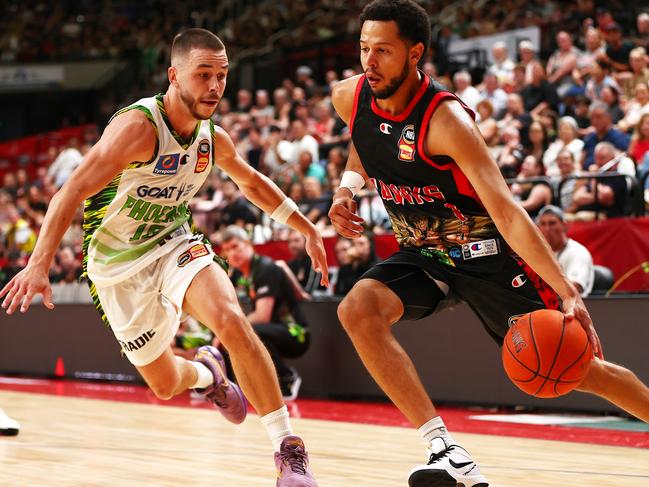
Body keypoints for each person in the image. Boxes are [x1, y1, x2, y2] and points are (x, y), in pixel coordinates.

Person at [328, 2, 649, 486]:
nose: (368, 62)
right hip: (427, 254)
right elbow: (365, 137)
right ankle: (446, 450)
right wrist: (347, 187)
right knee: (356, 309)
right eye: (363, 49)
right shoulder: (349, 96)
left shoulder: (448, 121)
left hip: (491, 257)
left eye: (383, 52)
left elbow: (506, 209)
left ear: (415, 54)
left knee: (582, 371)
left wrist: (566, 289)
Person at [0, 28, 329, 487]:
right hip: (114, 266)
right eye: (204, 75)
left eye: (222, 76)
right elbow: (72, 189)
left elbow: (251, 183)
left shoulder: (212, 138)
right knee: (164, 383)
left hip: (175, 243)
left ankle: (287, 449)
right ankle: (206, 374)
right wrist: (39, 263)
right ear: (175, 76)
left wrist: (305, 225)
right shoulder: (137, 128)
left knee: (232, 320)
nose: (215, 87)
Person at [221, 226, 310, 401]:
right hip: (273, 331)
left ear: (248, 244)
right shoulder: (241, 274)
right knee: (231, 335)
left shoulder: (266, 268)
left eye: (235, 246)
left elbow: (262, 316)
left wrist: (229, 327)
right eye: (227, 250)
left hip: (296, 333)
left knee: (251, 330)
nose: (232, 253)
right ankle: (231, 387)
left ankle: (286, 377)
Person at [536, 205, 594, 297]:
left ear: (565, 225)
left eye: (552, 223)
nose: (547, 229)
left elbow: (574, 288)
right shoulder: (537, 253)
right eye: (543, 224)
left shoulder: (577, 252)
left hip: (575, 308)